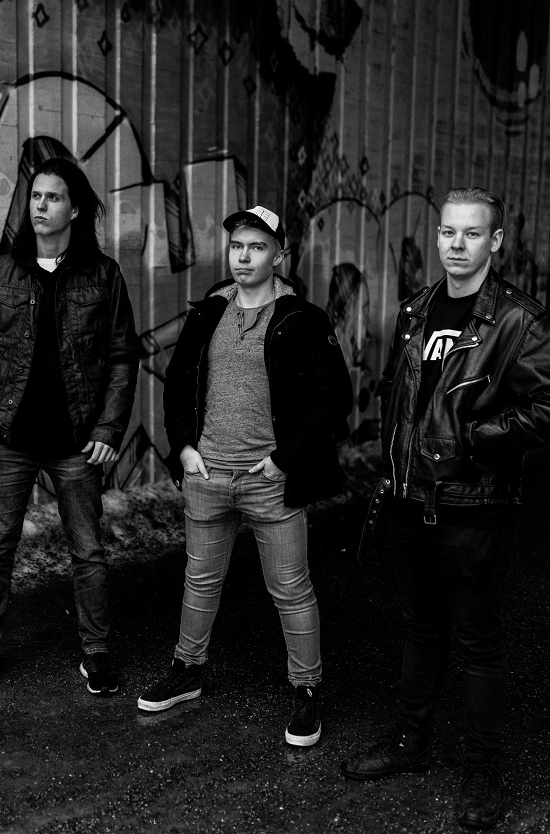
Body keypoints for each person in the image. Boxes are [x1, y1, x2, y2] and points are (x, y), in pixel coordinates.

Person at [340, 187, 550, 828]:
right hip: (411, 499)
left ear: (494, 241)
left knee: (477, 642)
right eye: (448, 231)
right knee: (420, 628)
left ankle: (482, 772)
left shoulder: (520, 320)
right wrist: (394, 467)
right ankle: (410, 743)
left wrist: (475, 438)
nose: (456, 244)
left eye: (472, 234)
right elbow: (400, 393)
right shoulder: (417, 309)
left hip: (475, 505)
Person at [135, 206, 350, 746]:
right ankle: (187, 671)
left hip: (269, 481)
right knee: (200, 581)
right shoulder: (209, 312)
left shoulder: (303, 319)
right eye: (236, 247)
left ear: (279, 255)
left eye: (257, 247)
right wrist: (185, 449)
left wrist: (283, 460)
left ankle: (306, 690)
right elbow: (178, 384)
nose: (244, 257)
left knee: (290, 588)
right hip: (207, 475)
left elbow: (332, 399)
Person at [0, 157, 139, 696]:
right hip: (10, 439)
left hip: (77, 442)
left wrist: (108, 430)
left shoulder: (102, 275)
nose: (40, 205)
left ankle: (97, 651)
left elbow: (122, 358)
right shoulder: (2, 272)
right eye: (35, 196)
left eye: (53, 197)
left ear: (74, 209)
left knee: (88, 550)